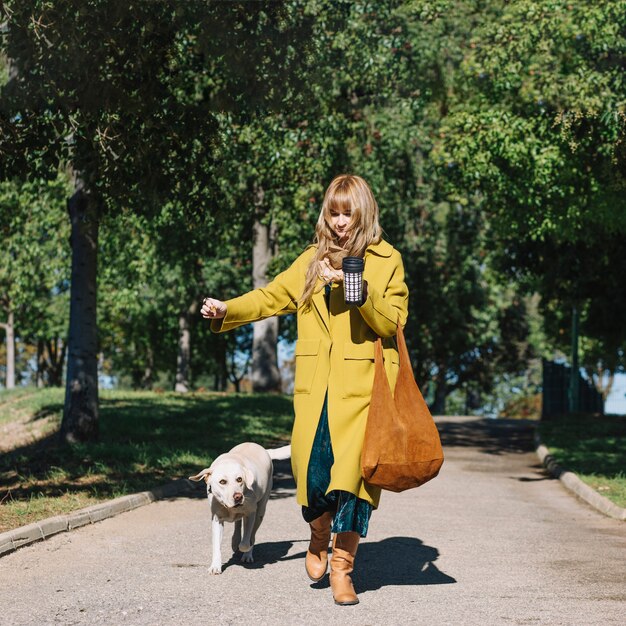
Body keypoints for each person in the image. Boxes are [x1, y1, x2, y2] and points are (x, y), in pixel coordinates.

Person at [201, 174, 408, 606]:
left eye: (347, 213)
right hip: (317, 392)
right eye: (333, 213)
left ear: (363, 213)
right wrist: (227, 309)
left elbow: (391, 323)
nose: (339, 222)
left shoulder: (387, 260)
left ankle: (342, 569)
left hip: (366, 394)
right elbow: (270, 296)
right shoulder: (311, 260)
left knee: (354, 487)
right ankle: (318, 533)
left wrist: (358, 289)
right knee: (314, 483)